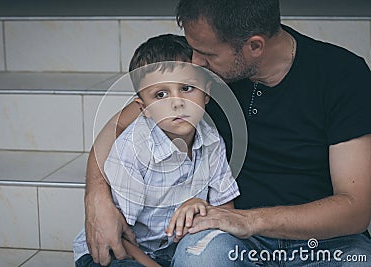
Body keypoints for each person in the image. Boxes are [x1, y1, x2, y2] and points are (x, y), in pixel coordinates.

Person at [84, 0, 371, 266]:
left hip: (323, 240)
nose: (194, 62)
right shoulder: (199, 79)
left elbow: (355, 209)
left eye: (207, 54)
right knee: (201, 258)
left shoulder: (342, 75)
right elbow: (119, 125)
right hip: (228, 235)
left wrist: (248, 220)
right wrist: (96, 197)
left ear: (254, 46)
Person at [74, 34, 240, 267]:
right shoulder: (133, 149)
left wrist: (202, 206)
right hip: (121, 250)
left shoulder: (212, 142)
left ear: (206, 93)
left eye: (187, 88)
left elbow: (226, 211)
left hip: (171, 250)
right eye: (161, 95)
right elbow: (118, 233)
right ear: (145, 108)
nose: (177, 102)